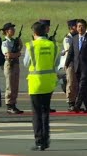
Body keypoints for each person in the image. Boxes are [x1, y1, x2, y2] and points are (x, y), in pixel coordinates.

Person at [24, 22, 59, 151]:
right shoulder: (52, 45)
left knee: (36, 113)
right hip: (48, 82)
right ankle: (46, 139)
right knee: (45, 112)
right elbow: (57, 62)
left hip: (35, 83)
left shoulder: (31, 46)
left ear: (34, 33)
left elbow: (26, 62)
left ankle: (39, 141)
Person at [65, 19, 87, 113]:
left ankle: (77, 105)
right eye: (78, 26)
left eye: (82, 26)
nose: (80, 28)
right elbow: (71, 52)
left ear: (85, 27)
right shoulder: (75, 38)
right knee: (83, 87)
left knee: (82, 86)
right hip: (77, 66)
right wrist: (66, 64)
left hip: (86, 66)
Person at [1, 22, 24, 114]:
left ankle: (13, 103)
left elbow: (18, 50)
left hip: (15, 64)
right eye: (12, 29)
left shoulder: (13, 41)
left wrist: (20, 45)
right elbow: (8, 55)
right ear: (7, 31)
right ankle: (9, 105)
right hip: (9, 64)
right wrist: (17, 54)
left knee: (15, 85)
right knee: (10, 85)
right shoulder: (5, 43)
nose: (14, 31)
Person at [39, 19, 57, 113]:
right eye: (46, 27)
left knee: (48, 88)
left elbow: (54, 53)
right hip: (40, 68)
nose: (48, 29)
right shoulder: (37, 39)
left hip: (49, 67)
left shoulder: (49, 39)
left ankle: (46, 105)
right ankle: (42, 106)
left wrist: (53, 43)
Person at [63, 19, 79, 112]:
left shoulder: (77, 37)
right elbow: (70, 51)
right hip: (70, 63)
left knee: (76, 83)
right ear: (70, 28)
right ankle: (70, 102)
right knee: (71, 82)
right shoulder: (67, 38)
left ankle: (75, 101)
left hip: (77, 62)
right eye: (75, 26)